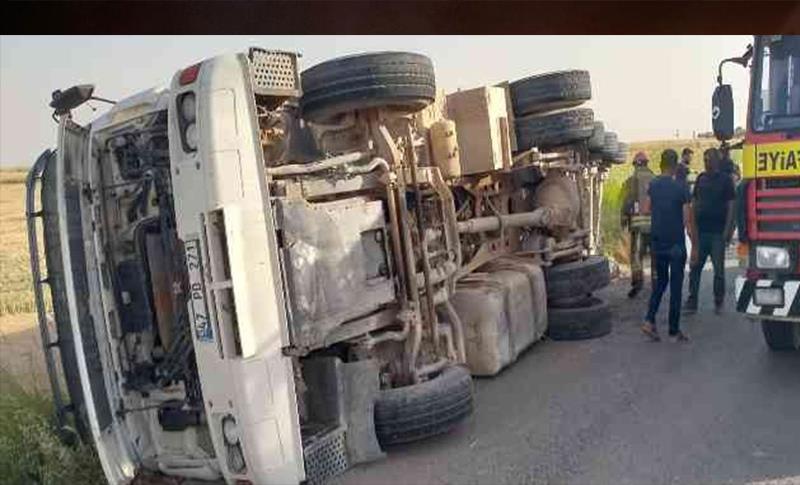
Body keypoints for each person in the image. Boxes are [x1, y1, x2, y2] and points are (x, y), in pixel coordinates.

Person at [641, 149, 693, 342]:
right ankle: (673, 330)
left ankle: (649, 320)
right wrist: (693, 244)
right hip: (676, 244)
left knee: (660, 283)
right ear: (675, 165)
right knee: (676, 287)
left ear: (661, 164)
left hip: (657, 242)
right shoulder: (681, 188)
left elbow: (646, 209)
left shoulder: (653, 185)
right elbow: (687, 220)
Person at [685, 148, 736, 315]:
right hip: (701, 231)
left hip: (717, 233)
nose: (707, 162)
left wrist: (728, 230)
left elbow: (731, 206)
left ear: (717, 161)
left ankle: (718, 301)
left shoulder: (725, 180)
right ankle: (692, 302)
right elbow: (694, 202)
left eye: (710, 159)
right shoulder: (701, 179)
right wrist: (691, 228)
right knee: (695, 268)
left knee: (719, 271)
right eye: (705, 159)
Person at [620, 151, 656, 298]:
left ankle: (638, 281)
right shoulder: (655, 179)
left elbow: (627, 201)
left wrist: (623, 218)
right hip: (654, 225)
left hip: (638, 226)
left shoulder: (631, 181)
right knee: (655, 254)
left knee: (636, 255)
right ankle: (656, 281)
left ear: (636, 164)